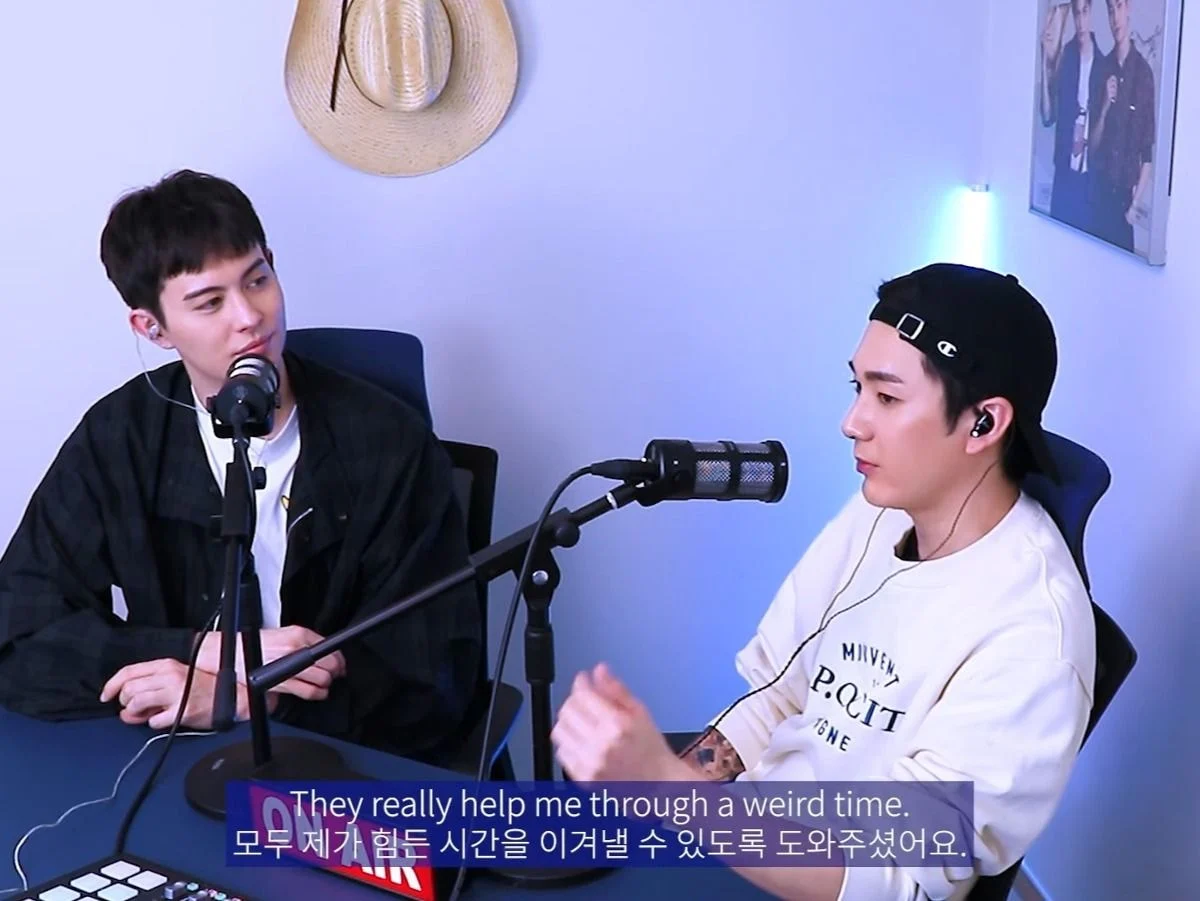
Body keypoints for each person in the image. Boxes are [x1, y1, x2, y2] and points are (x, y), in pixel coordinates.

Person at [551, 264, 1097, 900]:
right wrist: (665, 796)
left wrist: (671, 793)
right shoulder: (880, 510)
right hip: (743, 833)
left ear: (984, 423)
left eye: (887, 398)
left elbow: (888, 877)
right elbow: (778, 694)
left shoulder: (1034, 635)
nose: (852, 421)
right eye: (857, 387)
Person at [0, 170, 484, 764]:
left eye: (258, 280)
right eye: (210, 303)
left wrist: (246, 699)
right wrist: (208, 649)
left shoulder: (386, 438)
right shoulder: (120, 436)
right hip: (175, 756)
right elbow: (19, 634)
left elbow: (434, 678)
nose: (250, 316)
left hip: (339, 758)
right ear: (152, 327)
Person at [1089, 0, 1156, 253]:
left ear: (1128, 8)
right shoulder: (1101, 69)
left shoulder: (1143, 74)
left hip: (1124, 205)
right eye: (1110, 10)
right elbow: (1092, 146)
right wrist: (1105, 106)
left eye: (1118, 7)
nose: (1114, 17)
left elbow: (1147, 155)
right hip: (1098, 197)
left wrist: (1134, 206)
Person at [1039, 0, 1108, 234]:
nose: (1080, 20)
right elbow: (1047, 116)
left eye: (1084, 12)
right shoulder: (1065, 57)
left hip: (1090, 181)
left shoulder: (1103, 65)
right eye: (1076, 14)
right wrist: (1044, 62)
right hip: (1064, 174)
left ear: (1091, 12)